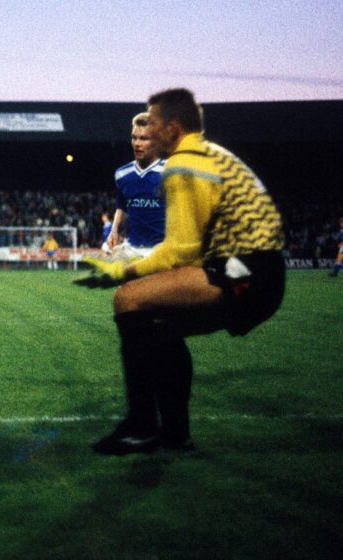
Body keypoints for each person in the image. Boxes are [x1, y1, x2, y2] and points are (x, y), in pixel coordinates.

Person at [75, 88, 285, 455]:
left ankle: (141, 426)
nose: (145, 131)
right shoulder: (209, 155)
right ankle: (175, 434)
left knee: (129, 299)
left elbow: (181, 253)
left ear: (172, 129)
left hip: (245, 271)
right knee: (159, 328)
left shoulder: (185, 164)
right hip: (255, 270)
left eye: (152, 123)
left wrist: (120, 272)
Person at [106, 112, 166, 259]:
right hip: (133, 248)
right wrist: (114, 230)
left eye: (144, 138)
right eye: (134, 138)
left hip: (162, 249)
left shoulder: (170, 173)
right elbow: (121, 206)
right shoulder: (122, 174)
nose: (137, 143)